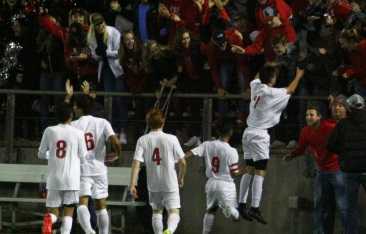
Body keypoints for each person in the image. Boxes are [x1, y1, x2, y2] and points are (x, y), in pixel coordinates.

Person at [238, 64, 304, 224]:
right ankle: (254, 207)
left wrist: (267, 65)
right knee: (260, 172)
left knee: (249, 169)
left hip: (248, 133)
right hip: (260, 135)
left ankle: (241, 204)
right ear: (272, 79)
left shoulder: (256, 86)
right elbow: (290, 90)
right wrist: (298, 76)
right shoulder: (272, 92)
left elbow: (254, 78)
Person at [65, 82, 122, 234]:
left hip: (82, 169)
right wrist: (117, 154)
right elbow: (115, 141)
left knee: (82, 204)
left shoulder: (73, 125)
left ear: (78, 108)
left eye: (76, 106)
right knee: (101, 205)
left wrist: (67, 98)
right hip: (99, 168)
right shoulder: (103, 122)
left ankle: (89, 231)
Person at [283, 105, 347, 234]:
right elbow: (301, 148)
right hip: (322, 171)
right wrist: (292, 155)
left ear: (319, 116)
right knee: (321, 205)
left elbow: (342, 140)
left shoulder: (329, 127)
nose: (308, 117)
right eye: (307, 115)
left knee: (343, 206)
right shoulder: (305, 131)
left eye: (311, 114)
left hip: (337, 170)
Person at [129, 108, 187, 234]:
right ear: (163, 122)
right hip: (170, 181)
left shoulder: (142, 140)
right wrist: (181, 177)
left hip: (153, 183)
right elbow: (183, 162)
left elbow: (136, 163)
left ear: (148, 123)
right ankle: (170, 230)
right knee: (174, 211)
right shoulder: (172, 139)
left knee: (156, 211)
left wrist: (133, 184)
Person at [38, 103, 87, 234]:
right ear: (71, 116)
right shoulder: (78, 133)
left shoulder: (49, 130)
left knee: (53, 210)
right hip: (72, 179)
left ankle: (50, 218)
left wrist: (52, 154)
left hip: (54, 179)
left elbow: (41, 154)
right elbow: (83, 155)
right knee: (69, 212)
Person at [184, 121, 241, 234]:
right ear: (231, 133)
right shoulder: (232, 151)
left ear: (218, 132)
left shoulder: (207, 144)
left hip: (211, 183)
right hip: (226, 184)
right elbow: (235, 172)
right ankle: (232, 211)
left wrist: (179, 159)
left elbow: (190, 152)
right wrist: (242, 171)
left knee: (211, 210)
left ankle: (205, 232)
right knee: (231, 210)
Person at [328, 94, 366, 234]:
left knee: (350, 207)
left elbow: (330, 145)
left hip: (350, 170)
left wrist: (344, 153)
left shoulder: (343, 124)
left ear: (348, 107)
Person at [87, 13, 128, 143]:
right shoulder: (92, 36)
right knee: (109, 100)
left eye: (102, 24)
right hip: (105, 70)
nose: (101, 27)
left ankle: (123, 131)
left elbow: (119, 52)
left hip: (116, 70)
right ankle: (113, 131)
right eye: (98, 26)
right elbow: (94, 55)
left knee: (119, 99)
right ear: (94, 26)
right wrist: (97, 55)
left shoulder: (114, 32)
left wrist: (105, 52)